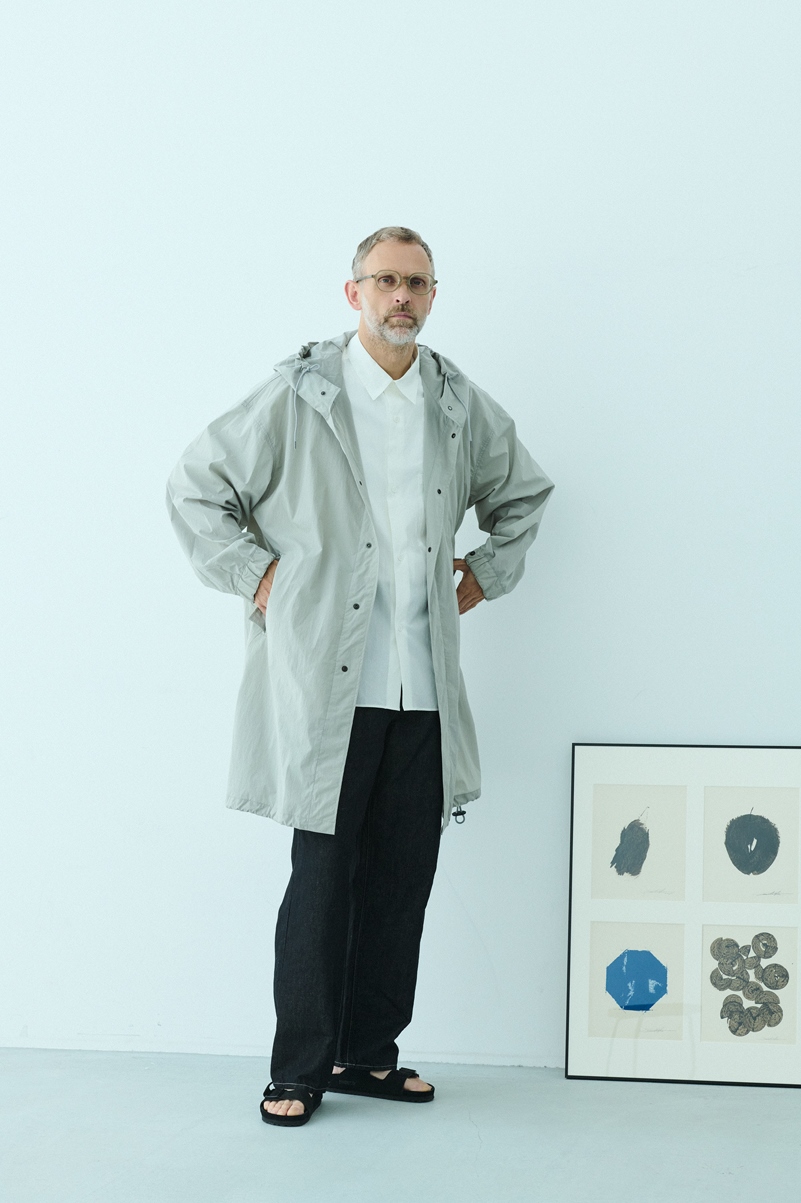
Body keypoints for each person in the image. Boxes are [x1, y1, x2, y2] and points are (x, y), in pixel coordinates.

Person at [165, 226, 554, 1127]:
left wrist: (486, 571)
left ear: (432, 294)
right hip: (329, 685)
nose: (401, 297)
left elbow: (523, 493)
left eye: (417, 282)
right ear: (354, 293)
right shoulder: (299, 396)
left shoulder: (454, 402)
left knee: (401, 878)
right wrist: (258, 575)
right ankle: (297, 1066)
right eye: (385, 280)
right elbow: (195, 487)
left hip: (423, 682)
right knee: (322, 874)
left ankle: (367, 1053)